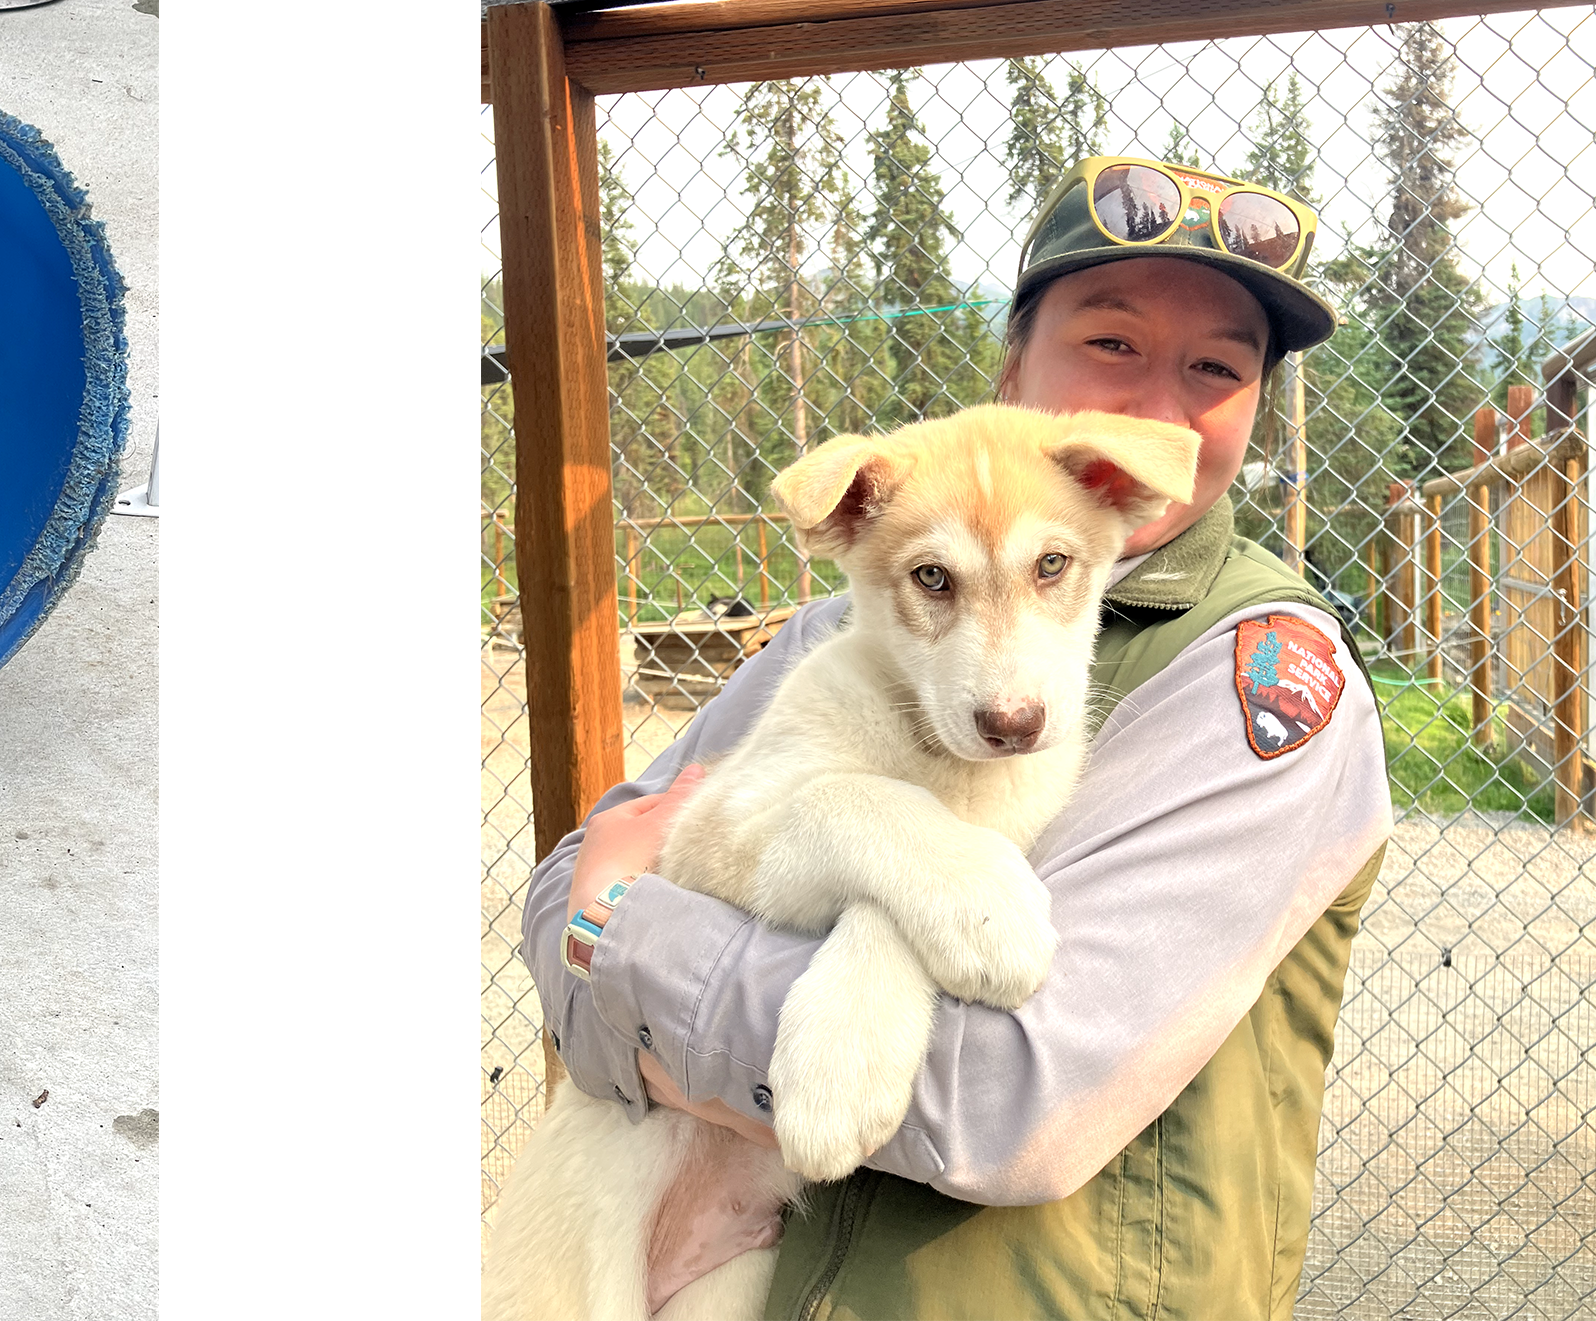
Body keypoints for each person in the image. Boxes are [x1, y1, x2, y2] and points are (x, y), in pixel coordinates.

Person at [523, 156, 1393, 1319]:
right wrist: (602, 921)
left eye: (1215, 368)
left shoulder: (1255, 680)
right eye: (1111, 342)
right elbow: (571, 880)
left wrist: (620, 947)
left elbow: (1000, 1101)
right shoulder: (845, 621)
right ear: (1014, 365)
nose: (1152, 409)